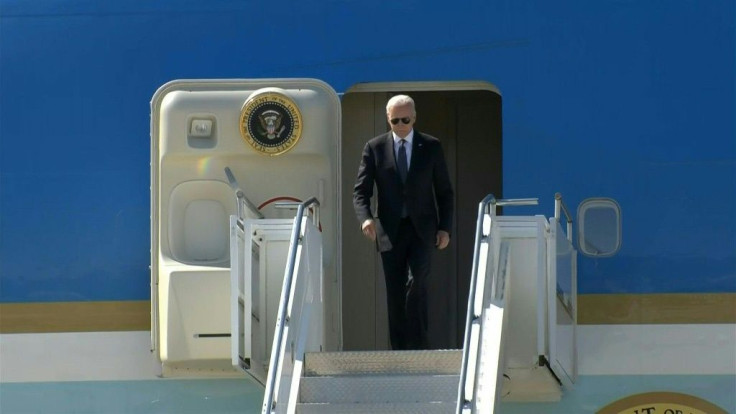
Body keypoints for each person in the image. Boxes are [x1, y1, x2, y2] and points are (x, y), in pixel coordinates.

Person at [353, 94, 454, 350]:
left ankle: (419, 345)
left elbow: (444, 191)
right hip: (390, 230)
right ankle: (398, 349)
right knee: (395, 291)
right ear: (388, 118)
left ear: (414, 118)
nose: (400, 125)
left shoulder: (431, 146)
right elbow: (361, 191)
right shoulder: (374, 148)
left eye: (405, 120)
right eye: (395, 120)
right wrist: (366, 219)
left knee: (419, 282)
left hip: (422, 230)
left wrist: (445, 228)